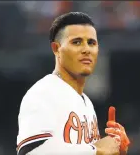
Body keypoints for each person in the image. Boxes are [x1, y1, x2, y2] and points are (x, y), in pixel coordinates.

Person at [16, 12, 130, 155]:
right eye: (76, 42)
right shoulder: (43, 92)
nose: (86, 49)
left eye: (91, 43)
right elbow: (32, 153)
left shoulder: (86, 103)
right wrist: (97, 150)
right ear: (56, 48)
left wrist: (116, 150)